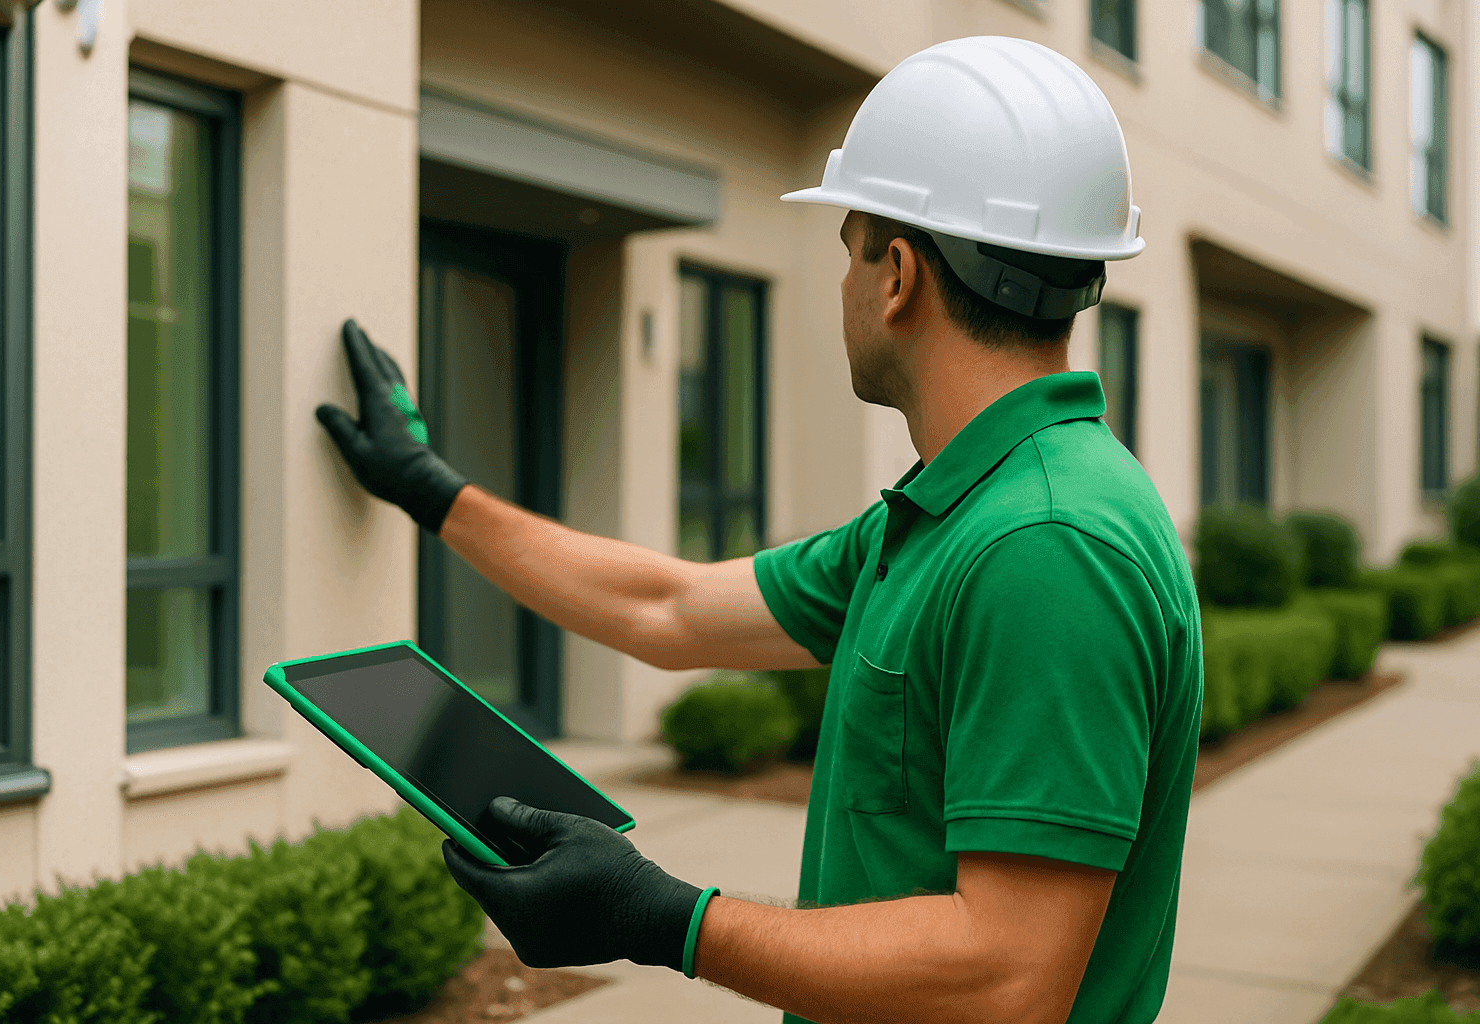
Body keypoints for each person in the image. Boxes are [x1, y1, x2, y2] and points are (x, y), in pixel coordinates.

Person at [316, 35, 1201, 1024]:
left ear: (898, 273)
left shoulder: (1043, 544)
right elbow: (669, 607)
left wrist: (668, 919)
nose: (844, 285)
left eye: (848, 248)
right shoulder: (950, 515)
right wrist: (433, 491)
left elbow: (1006, 975)